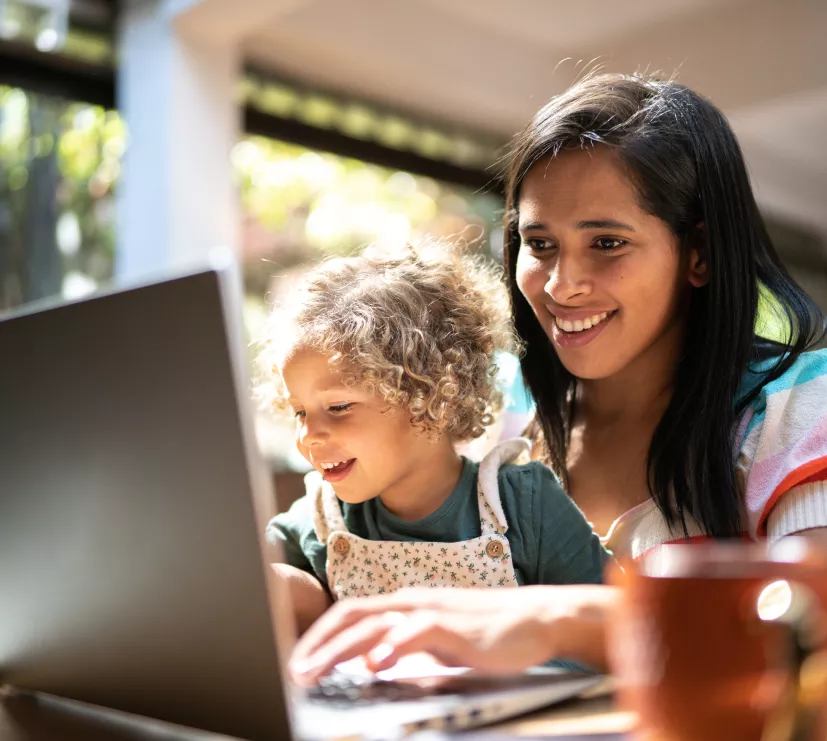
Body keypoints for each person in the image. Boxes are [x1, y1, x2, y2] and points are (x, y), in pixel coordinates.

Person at [288, 72, 827, 683]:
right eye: (539, 243)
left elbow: (805, 626)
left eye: (606, 242)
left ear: (698, 253)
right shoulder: (485, 416)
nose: (561, 284)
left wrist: (553, 620)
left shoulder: (797, 408)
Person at [257, 241, 610, 633]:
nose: (308, 436)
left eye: (339, 407)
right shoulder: (320, 520)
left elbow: (619, 626)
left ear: (431, 395)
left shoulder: (525, 505)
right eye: (299, 413)